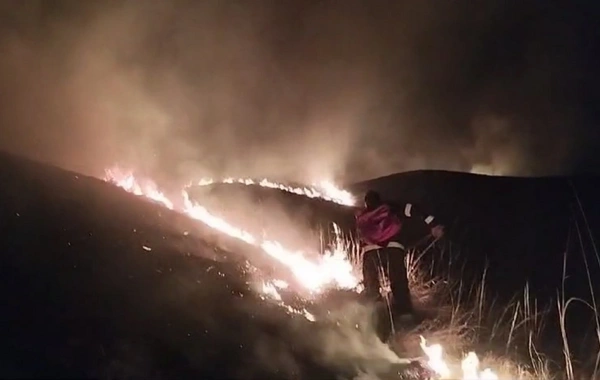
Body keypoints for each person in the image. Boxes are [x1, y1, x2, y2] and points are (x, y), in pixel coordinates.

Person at [355, 189, 444, 325]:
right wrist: (433, 225)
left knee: (371, 283)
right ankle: (404, 314)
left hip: (371, 249)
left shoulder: (362, 214)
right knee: (398, 281)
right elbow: (414, 209)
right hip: (394, 246)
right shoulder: (391, 207)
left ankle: (374, 313)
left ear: (366, 202)